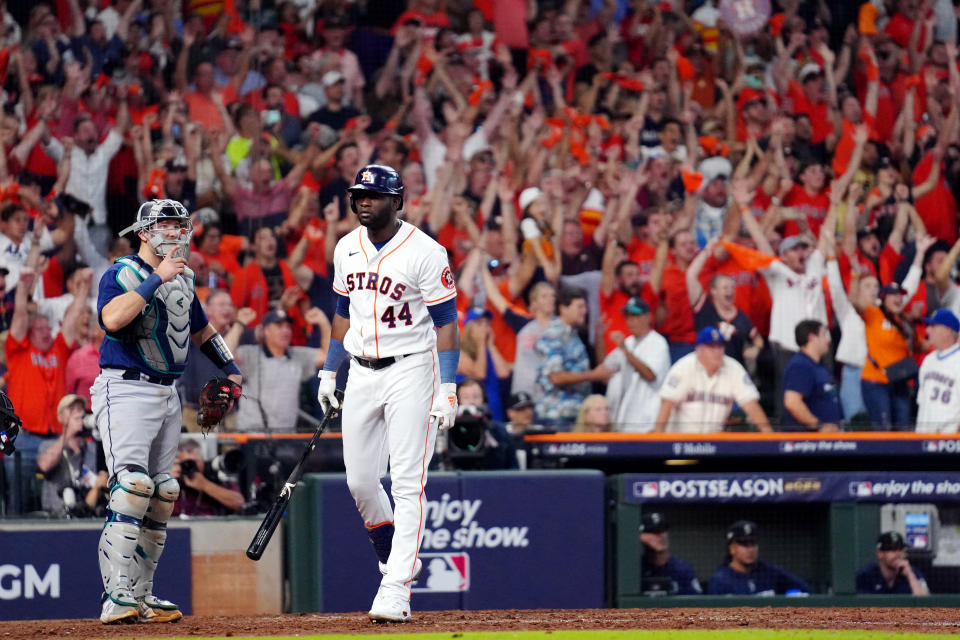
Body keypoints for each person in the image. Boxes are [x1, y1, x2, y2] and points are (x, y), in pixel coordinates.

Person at [316, 164, 461, 623]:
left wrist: (449, 388)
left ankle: (396, 587)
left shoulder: (426, 251)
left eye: (374, 196)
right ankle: (392, 548)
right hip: (360, 370)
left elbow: (447, 325)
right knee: (360, 481)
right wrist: (328, 372)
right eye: (358, 194)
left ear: (397, 201)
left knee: (406, 482)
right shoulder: (345, 247)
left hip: (412, 370)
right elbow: (343, 312)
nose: (363, 201)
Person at [91, 199, 243, 625]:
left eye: (180, 225)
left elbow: (201, 329)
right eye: (165, 225)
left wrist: (232, 368)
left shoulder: (185, 278)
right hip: (125, 387)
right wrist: (156, 278)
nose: (175, 232)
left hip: (167, 392)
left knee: (163, 492)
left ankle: (141, 594)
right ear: (143, 232)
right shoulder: (121, 272)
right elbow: (111, 318)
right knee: (132, 486)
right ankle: (115, 595)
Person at [655, 327, 772, 434]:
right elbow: (667, 404)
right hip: (681, 442)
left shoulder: (733, 368)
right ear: (698, 349)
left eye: (719, 346)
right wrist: (658, 440)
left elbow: (750, 404)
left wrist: (768, 433)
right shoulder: (683, 367)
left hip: (714, 443)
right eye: (711, 347)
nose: (717, 351)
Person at [233, 308, 325, 432]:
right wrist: (239, 324)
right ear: (265, 331)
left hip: (285, 437)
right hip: (253, 435)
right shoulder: (250, 354)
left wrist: (323, 322)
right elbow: (225, 356)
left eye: (288, 326)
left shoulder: (298, 356)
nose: (285, 331)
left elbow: (327, 355)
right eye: (279, 326)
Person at [534, 286, 607, 427]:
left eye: (585, 307)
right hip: (556, 414)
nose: (584, 311)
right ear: (563, 308)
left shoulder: (573, 334)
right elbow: (555, 377)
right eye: (579, 307)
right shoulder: (553, 334)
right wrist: (594, 375)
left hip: (573, 413)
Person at [600, 297, 670, 433]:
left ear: (648, 317)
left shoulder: (657, 342)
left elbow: (650, 375)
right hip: (624, 419)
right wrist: (600, 338)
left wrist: (625, 351)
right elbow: (604, 370)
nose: (630, 321)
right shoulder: (629, 342)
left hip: (647, 420)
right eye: (628, 317)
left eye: (635, 316)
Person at [36, 394, 107, 517]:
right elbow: (43, 466)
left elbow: (101, 482)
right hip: (55, 516)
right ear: (60, 417)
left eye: (80, 409)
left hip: (87, 513)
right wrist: (68, 433)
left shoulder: (92, 449)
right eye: (71, 409)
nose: (78, 413)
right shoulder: (47, 445)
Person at [707, 520, 811, 596]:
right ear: (732, 549)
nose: (750, 549)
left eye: (753, 544)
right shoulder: (720, 580)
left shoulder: (771, 573)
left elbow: (806, 590)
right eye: (744, 544)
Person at [782, 320, 843, 432]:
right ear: (812, 338)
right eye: (824, 335)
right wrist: (819, 426)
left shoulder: (818, 365)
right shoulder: (800, 365)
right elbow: (792, 402)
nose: (828, 340)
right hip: (808, 442)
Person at [170, 439, 245, 516]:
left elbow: (239, 503)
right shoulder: (172, 480)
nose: (192, 467)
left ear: (202, 460)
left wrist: (204, 485)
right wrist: (167, 480)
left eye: (195, 461)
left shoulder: (213, 477)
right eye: (187, 463)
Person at [916, 309, 960, 433]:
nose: (927, 330)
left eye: (933, 326)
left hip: (948, 442)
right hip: (922, 437)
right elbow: (922, 401)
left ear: (948, 331)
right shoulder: (928, 361)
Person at [639, 511, 702, 596]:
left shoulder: (682, 568)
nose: (661, 535)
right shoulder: (636, 569)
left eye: (663, 530)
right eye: (655, 532)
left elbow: (696, 603)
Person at [856, 531, 929, 595]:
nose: (898, 554)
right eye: (892, 549)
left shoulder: (912, 573)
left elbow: (925, 603)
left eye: (901, 549)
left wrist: (909, 575)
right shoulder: (866, 575)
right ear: (879, 554)